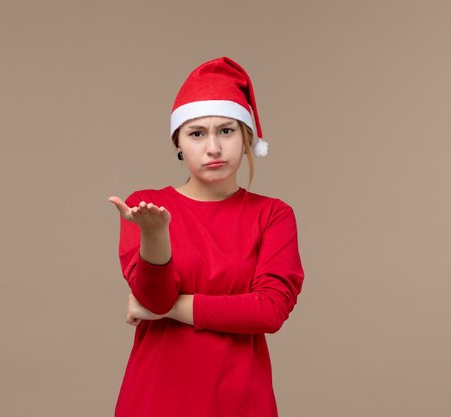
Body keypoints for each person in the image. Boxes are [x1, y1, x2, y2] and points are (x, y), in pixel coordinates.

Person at [108, 57, 305, 417]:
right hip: (156, 399)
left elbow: (270, 311)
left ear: (246, 138)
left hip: (241, 401)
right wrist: (155, 234)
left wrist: (169, 310)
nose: (213, 147)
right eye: (197, 133)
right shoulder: (146, 207)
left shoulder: (273, 214)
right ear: (178, 144)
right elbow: (156, 294)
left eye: (226, 131)